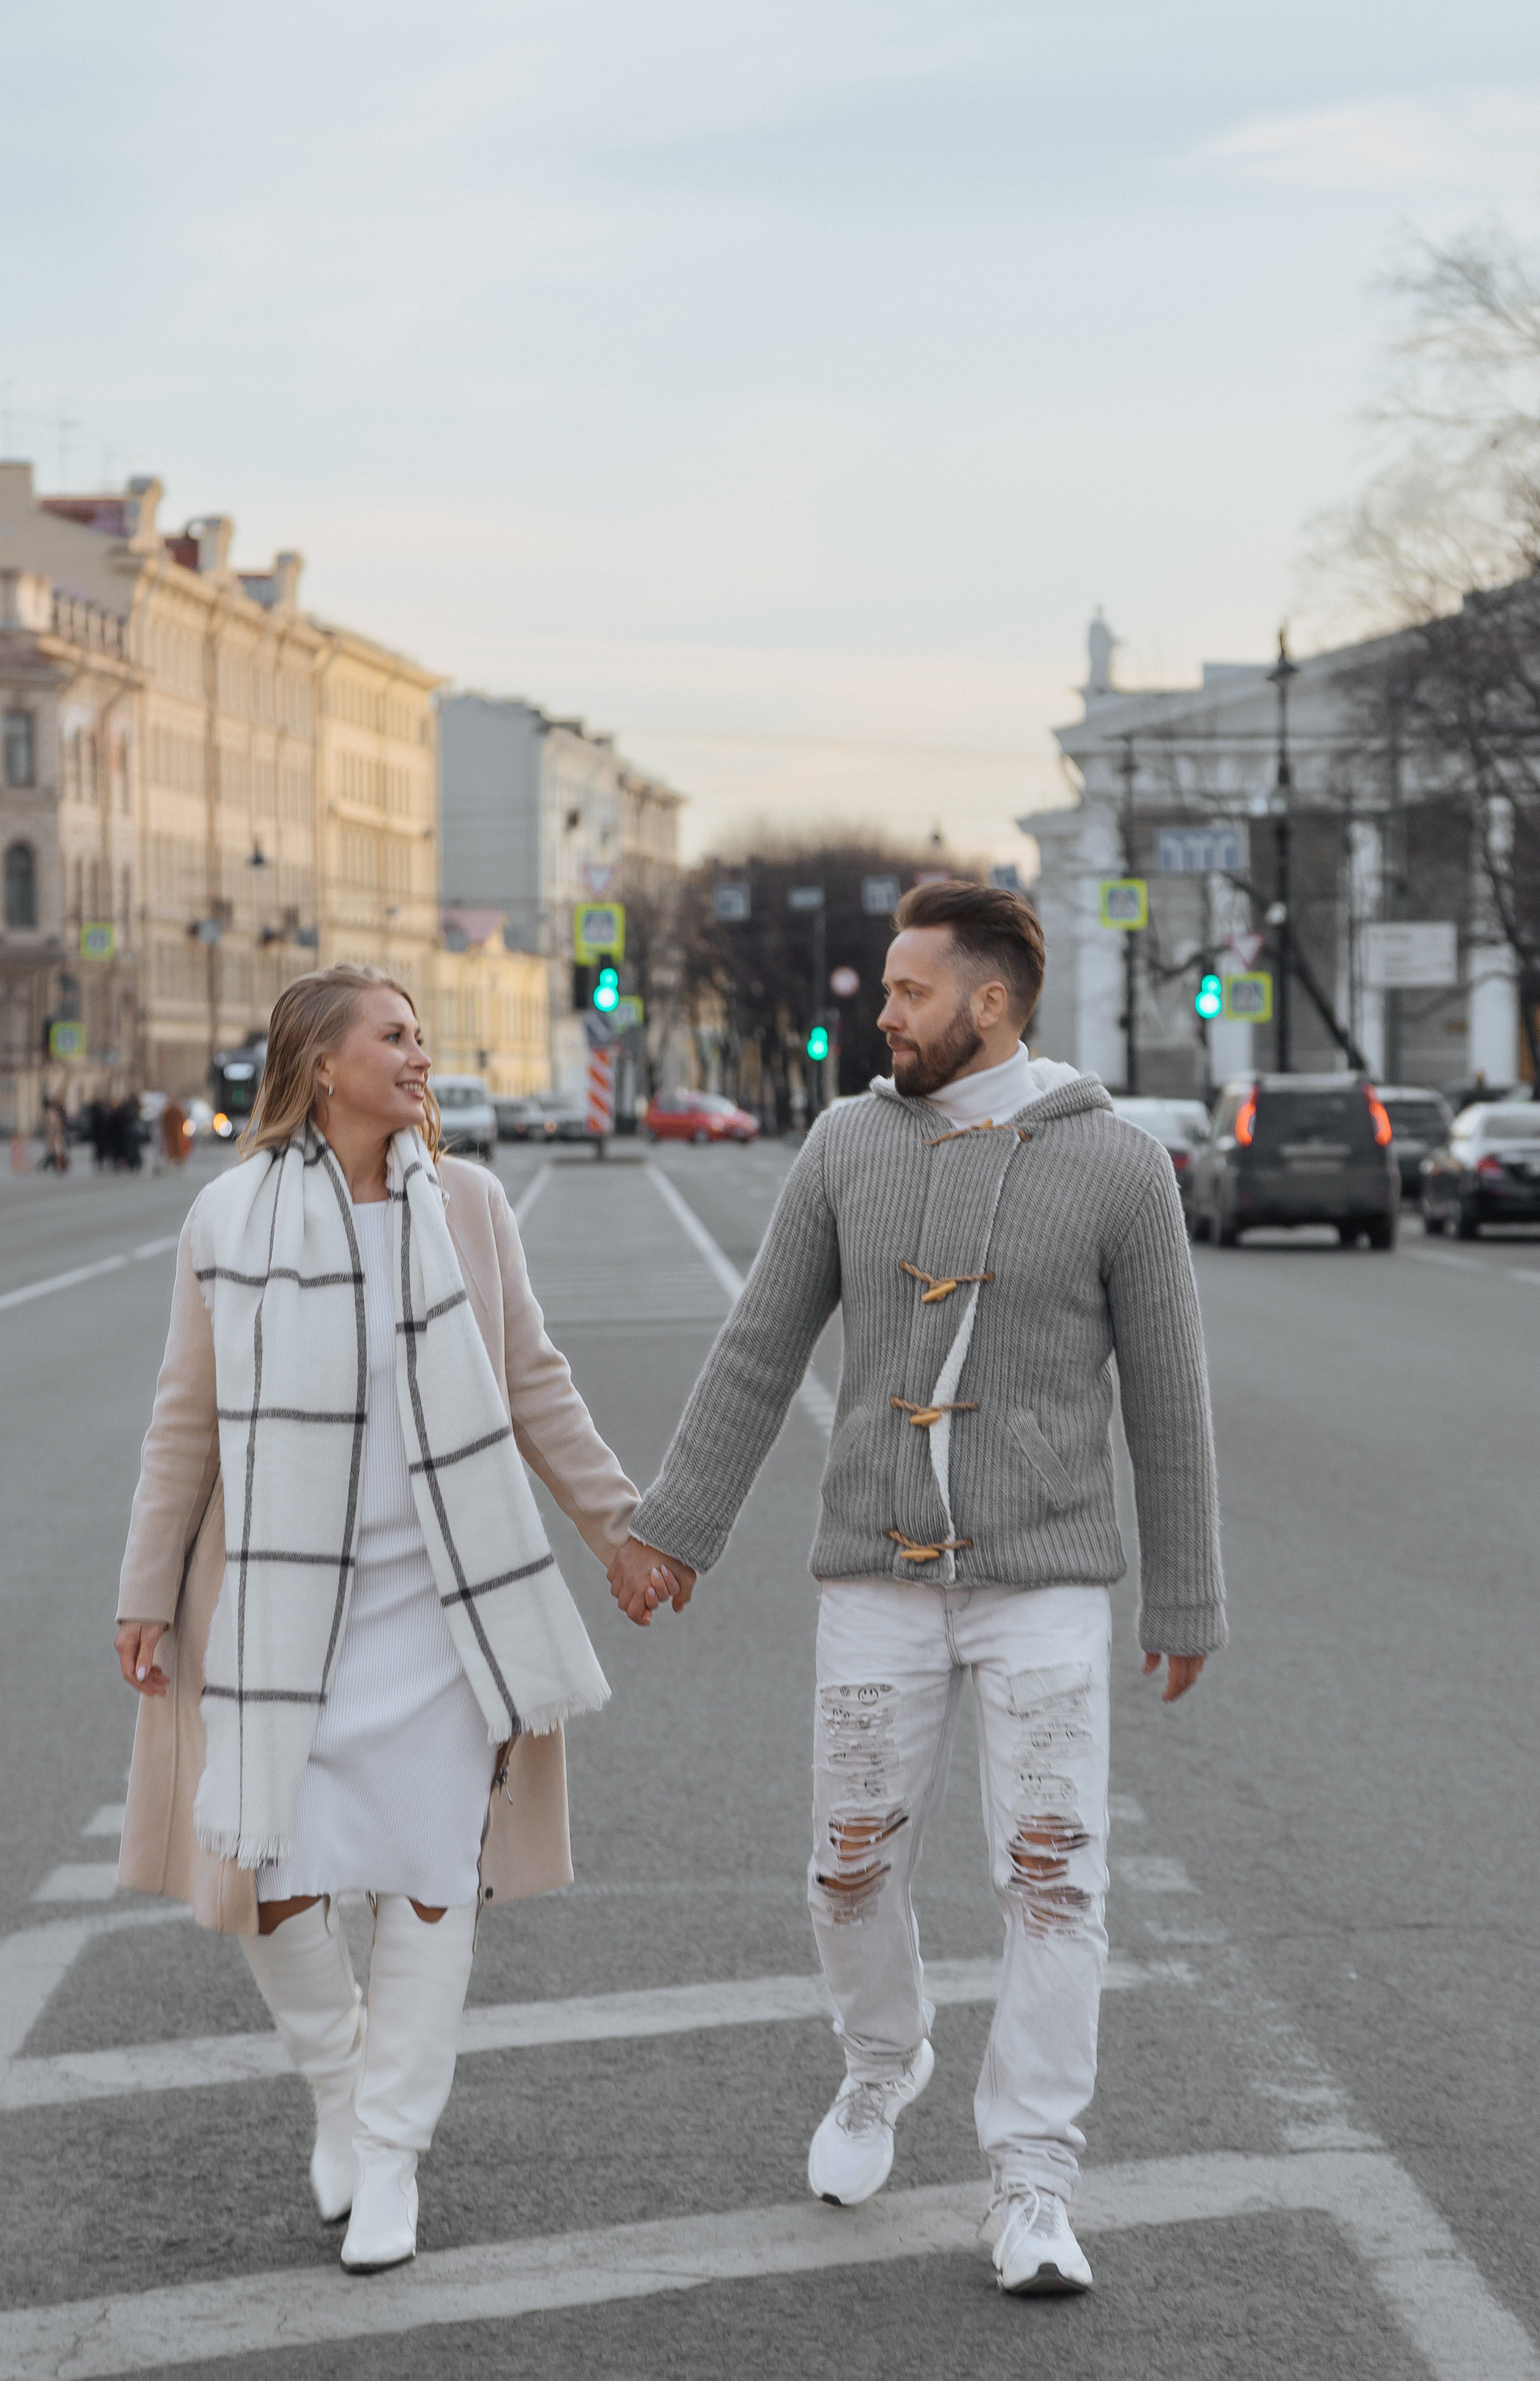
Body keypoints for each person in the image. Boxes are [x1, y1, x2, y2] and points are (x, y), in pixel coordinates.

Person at [612, 880, 1226, 2296]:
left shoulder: (1119, 1165)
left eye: (905, 991)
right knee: (846, 1866)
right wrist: (673, 1529)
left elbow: (1168, 1400)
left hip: (1045, 1576)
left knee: (1054, 1876)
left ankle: (1032, 2178)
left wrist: (1181, 1596)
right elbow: (758, 1346)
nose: (878, 1013)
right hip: (876, 1573)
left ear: (989, 1001)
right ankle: (880, 2065)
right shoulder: (846, 1144)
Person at [114, 964, 638, 2273]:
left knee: (425, 1876)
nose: (418, 1058)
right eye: (394, 1037)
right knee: (275, 1877)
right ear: (323, 1062)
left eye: (420, 1036)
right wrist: (143, 1588)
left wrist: (621, 1525)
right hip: (279, 1607)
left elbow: (531, 1380)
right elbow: (184, 1417)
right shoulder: (226, 1216)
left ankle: (392, 2151)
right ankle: (340, 2085)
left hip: (436, 1600)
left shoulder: (466, 1203)